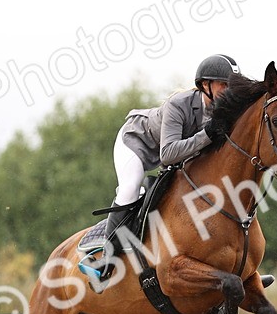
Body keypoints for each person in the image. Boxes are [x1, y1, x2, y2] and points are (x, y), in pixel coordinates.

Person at [79, 54, 240, 280]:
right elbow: (168, 155)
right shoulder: (179, 104)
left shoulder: (224, 111)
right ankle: (107, 259)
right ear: (206, 85)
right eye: (224, 84)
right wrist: (206, 135)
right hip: (137, 142)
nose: (229, 90)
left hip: (175, 154)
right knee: (130, 188)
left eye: (231, 86)